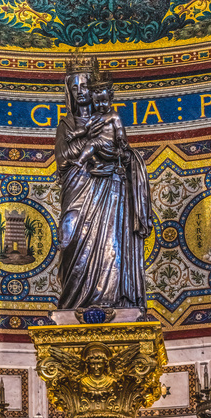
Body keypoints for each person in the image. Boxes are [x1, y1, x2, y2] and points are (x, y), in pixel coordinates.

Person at [55, 56, 152, 311]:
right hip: (77, 186)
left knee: (111, 241)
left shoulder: (111, 119)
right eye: (74, 88)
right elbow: (62, 159)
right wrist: (88, 138)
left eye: (84, 86)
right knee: (69, 236)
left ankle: (108, 297)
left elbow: (123, 150)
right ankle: (73, 300)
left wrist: (116, 154)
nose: (80, 92)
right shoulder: (66, 125)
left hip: (109, 187)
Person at [65, 77, 125, 176]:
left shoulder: (113, 115)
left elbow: (119, 128)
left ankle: (80, 161)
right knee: (87, 145)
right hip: (99, 145)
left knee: (92, 144)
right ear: (93, 101)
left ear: (111, 100)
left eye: (104, 101)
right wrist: (74, 134)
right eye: (97, 102)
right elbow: (85, 128)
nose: (101, 105)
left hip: (109, 144)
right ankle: (97, 163)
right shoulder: (94, 116)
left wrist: (120, 136)